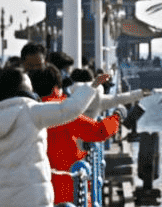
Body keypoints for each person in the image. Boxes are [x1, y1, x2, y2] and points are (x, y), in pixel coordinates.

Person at [0, 67, 105, 207]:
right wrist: (91, 87)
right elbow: (68, 109)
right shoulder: (31, 110)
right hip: (34, 196)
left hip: (4, 200)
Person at [29, 66, 119, 204]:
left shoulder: (28, 114)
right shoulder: (64, 112)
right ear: (56, 88)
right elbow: (100, 131)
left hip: (36, 194)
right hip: (68, 190)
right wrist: (117, 117)